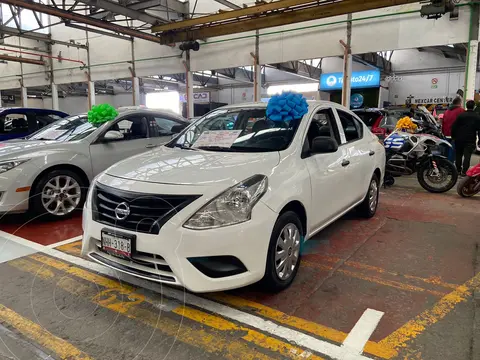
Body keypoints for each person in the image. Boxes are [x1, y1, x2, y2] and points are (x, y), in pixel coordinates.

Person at [451, 100, 480, 176]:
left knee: (458, 155)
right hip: (470, 139)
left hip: (459, 138)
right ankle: (464, 172)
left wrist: (453, 136)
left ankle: (458, 170)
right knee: (467, 156)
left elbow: (454, 126)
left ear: (466, 106)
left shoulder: (461, 115)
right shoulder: (477, 116)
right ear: (474, 107)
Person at [442, 97, 465, 161]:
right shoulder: (461, 110)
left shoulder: (446, 111)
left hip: (446, 134)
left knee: (446, 152)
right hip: (456, 135)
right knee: (452, 153)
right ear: (460, 103)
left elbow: (443, 123)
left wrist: (443, 132)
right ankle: (450, 168)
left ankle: (444, 165)